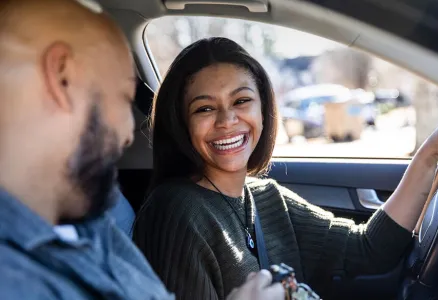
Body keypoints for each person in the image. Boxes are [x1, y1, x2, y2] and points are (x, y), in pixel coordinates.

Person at [133, 36, 438, 299]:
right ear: (181, 123)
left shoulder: (265, 197)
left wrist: (428, 157)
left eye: (241, 101)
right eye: (204, 109)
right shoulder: (176, 213)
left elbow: (367, 250)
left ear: (263, 110)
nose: (227, 121)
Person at [0, 0, 284, 299]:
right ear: (63, 78)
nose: (127, 134)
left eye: (242, 101)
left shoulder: (91, 221)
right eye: (124, 98)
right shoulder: (14, 278)